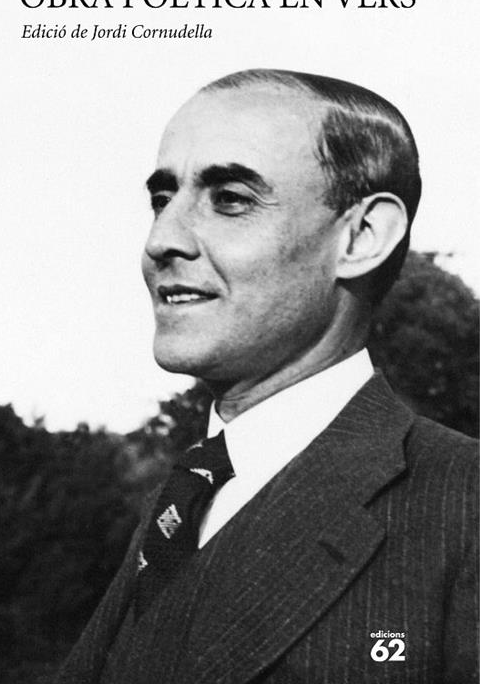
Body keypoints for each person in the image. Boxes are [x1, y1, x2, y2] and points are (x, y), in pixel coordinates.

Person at [52, 70, 478, 683]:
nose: (161, 239)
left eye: (230, 199)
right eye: (162, 200)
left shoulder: (463, 506)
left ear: (361, 237)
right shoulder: (181, 501)